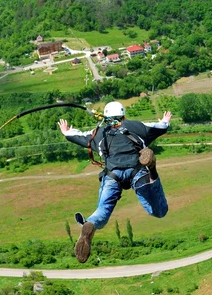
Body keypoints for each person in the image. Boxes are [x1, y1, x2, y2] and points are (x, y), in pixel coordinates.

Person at [58, 101, 172, 263]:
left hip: (112, 175)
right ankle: (152, 168)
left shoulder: (98, 133)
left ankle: (90, 223)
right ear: (123, 116)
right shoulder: (137, 127)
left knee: (103, 209)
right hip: (137, 170)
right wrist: (165, 120)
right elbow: (160, 127)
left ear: (106, 117)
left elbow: (78, 137)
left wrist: (67, 132)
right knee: (158, 211)